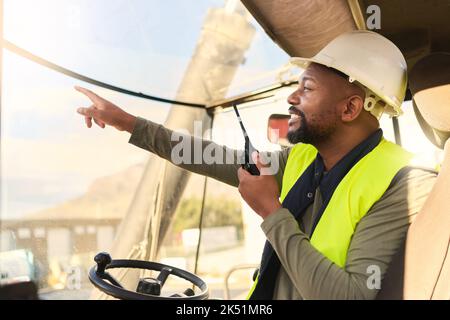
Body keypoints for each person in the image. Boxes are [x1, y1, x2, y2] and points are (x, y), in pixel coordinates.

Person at [75, 31, 436, 299]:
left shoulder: (402, 184)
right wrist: (128, 122)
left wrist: (271, 212)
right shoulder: (304, 158)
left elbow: (351, 297)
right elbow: (209, 156)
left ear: (349, 109)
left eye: (307, 89)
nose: (292, 98)